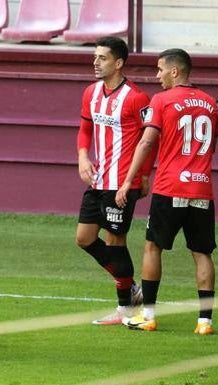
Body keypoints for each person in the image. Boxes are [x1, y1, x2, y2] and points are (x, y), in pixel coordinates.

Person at [116, 48, 218, 334]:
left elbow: (147, 142)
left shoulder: (161, 100)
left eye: (160, 69)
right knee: (202, 253)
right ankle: (205, 322)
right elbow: (211, 146)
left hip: (170, 186)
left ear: (175, 71)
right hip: (202, 188)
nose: (157, 75)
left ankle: (148, 316)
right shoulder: (211, 103)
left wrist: (128, 180)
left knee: (152, 246)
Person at [75, 36, 155, 325]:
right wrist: (83, 157)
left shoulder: (137, 97)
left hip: (122, 182)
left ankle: (125, 308)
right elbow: (84, 129)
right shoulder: (91, 93)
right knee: (84, 239)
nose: (95, 62)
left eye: (102, 58)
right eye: (95, 57)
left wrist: (143, 176)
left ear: (119, 63)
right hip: (98, 180)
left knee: (114, 241)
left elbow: (149, 140)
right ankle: (131, 287)